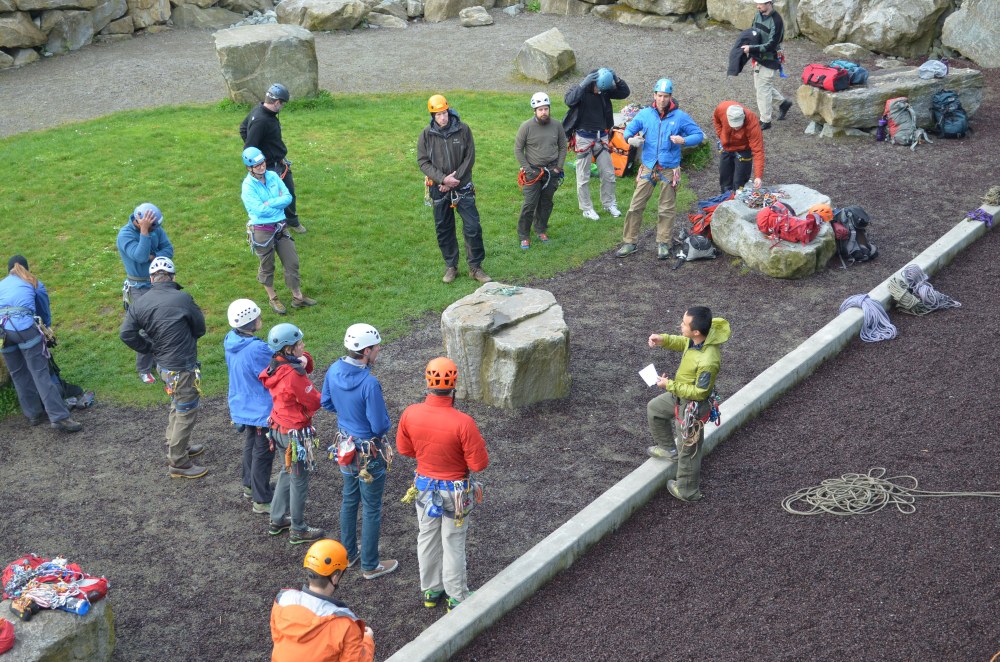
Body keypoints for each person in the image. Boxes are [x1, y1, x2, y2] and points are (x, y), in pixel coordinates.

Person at [396, 357, 489, 612]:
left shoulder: (410, 413)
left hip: (424, 488)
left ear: (428, 382)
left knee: (427, 537)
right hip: (455, 492)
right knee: (453, 540)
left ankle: (431, 589)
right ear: (454, 384)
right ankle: (456, 595)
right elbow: (479, 464)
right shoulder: (463, 422)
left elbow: (405, 449)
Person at [320, 323, 398, 580]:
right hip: (369, 453)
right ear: (366, 351)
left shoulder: (333, 370)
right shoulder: (369, 383)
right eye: (376, 347)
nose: (379, 350)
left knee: (349, 499)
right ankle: (370, 565)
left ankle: (349, 554)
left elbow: (326, 402)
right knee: (372, 507)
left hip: (345, 447)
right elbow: (378, 426)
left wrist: (347, 414)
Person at [119, 257, 208, 478]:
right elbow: (200, 328)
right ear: (172, 277)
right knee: (186, 410)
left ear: (151, 279)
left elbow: (126, 333)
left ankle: (175, 443)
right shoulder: (183, 298)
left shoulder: (140, 303)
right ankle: (178, 461)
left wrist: (148, 348)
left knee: (177, 403)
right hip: (182, 366)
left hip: (163, 366)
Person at [646, 307, 730, 502]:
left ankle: (687, 491)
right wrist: (663, 339)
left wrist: (669, 385)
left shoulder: (709, 360)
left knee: (689, 449)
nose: (680, 326)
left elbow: (700, 393)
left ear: (696, 331)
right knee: (655, 409)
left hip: (693, 407)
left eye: (684, 324)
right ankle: (668, 449)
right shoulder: (697, 340)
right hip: (679, 395)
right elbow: (683, 342)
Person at [619, 79, 705, 260]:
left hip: (669, 169)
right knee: (635, 206)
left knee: (666, 208)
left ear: (670, 97)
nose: (662, 99)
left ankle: (663, 243)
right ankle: (629, 242)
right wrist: (630, 140)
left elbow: (698, 134)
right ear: (654, 95)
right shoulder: (645, 114)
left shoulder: (680, 117)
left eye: (666, 96)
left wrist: (684, 140)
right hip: (648, 167)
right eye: (659, 96)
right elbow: (628, 131)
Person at [259, 322, 325, 545]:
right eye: (299, 343)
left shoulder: (275, 366)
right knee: (299, 479)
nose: (303, 345)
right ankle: (298, 528)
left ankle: (277, 519)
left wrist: (302, 358)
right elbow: (314, 401)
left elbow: (304, 363)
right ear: (288, 349)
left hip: (277, 428)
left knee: (286, 472)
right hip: (294, 435)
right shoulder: (293, 375)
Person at [417, 94, 493, 285]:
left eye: (444, 113)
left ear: (449, 111)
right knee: (444, 228)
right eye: (438, 115)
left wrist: (454, 179)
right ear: (433, 116)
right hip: (439, 188)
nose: (443, 118)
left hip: (462, 185)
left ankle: (475, 267)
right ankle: (451, 266)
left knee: (473, 226)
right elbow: (423, 161)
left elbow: (470, 156)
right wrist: (442, 179)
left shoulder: (463, 129)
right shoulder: (426, 134)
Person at [0, 255, 82, 432]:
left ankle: (33, 414)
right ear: (26, 268)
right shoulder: (33, 281)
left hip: (2, 332)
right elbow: (43, 311)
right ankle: (59, 417)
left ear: (8, 271)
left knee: (18, 374)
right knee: (40, 373)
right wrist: (46, 328)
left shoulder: (2, 284)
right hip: (23, 327)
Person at [241, 146, 317, 316]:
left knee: (292, 262)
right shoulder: (248, 187)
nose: (262, 166)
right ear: (249, 168)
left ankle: (298, 297)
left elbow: (288, 198)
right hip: (262, 231)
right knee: (267, 266)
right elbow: (259, 210)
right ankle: (273, 298)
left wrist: (269, 203)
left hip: (281, 227)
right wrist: (277, 203)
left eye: (263, 163)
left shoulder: (273, 176)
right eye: (257, 165)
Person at [270, 538, 375, 661]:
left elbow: (277, 638)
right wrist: (367, 640)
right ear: (335, 577)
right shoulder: (345, 624)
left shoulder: (282, 601)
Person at [224, 298, 275, 514]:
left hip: (241, 403)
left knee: (251, 443)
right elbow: (272, 372)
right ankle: (261, 499)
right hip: (260, 407)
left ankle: (249, 485)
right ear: (252, 322)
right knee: (264, 451)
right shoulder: (257, 348)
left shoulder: (231, 339)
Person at [116, 202, 174, 385]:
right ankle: (144, 369)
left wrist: (153, 256)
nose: (156, 229)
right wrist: (144, 232)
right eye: (152, 226)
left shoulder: (156, 229)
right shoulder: (125, 235)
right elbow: (140, 256)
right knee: (146, 328)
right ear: (140, 222)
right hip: (139, 287)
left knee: (162, 323)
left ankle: (160, 360)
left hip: (159, 284)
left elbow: (168, 251)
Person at [562, 67, 630, 221]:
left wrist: (617, 79)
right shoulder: (580, 90)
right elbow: (568, 100)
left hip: (601, 138)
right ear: (592, 82)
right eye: (597, 88)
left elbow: (624, 93)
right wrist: (582, 84)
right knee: (583, 176)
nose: (599, 91)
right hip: (584, 138)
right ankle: (587, 209)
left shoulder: (604, 91)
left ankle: (609, 204)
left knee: (608, 174)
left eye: (602, 89)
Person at [240, 83, 306, 233]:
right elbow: (250, 147)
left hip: (280, 162)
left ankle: (290, 221)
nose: (282, 107)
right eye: (282, 104)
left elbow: (243, 128)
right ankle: (279, 225)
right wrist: (264, 159)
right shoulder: (261, 121)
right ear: (277, 102)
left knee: (289, 193)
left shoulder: (259, 110)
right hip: (271, 166)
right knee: (279, 195)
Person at [514, 92, 567, 249]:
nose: (544, 112)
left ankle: (540, 229)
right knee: (529, 204)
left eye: (546, 109)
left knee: (546, 203)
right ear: (534, 111)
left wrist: (558, 167)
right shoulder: (526, 127)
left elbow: (563, 147)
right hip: (533, 172)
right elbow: (518, 149)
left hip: (552, 171)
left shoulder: (557, 125)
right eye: (540, 109)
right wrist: (528, 169)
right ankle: (524, 235)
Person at [742, 1, 792, 129]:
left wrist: (751, 48)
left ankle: (765, 121)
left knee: (762, 91)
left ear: (769, 3)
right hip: (758, 57)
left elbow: (771, 45)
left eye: (761, 4)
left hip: (770, 59)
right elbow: (753, 31)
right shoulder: (758, 14)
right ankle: (783, 103)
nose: (757, 6)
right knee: (761, 87)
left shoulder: (777, 21)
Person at [712, 101, 765, 193]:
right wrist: (721, 135)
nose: (736, 128)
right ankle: (725, 198)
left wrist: (758, 176)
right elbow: (716, 120)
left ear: (743, 118)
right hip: (726, 147)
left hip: (743, 149)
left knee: (739, 182)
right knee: (725, 179)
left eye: (739, 125)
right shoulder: (722, 108)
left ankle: (739, 198)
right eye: (733, 125)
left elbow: (758, 150)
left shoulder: (752, 123)